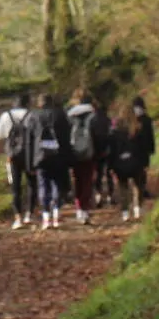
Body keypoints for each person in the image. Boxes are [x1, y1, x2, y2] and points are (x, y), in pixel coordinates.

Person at [26, 91, 72, 229]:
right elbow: (67, 138)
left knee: (43, 185)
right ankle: (56, 215)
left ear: (39, 103)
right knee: (57, 184)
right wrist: (68, 158)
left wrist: (30, 164)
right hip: (58, 156)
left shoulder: (33, 116)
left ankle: (46, 217)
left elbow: (29, 141)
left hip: (40, 156)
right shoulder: (60, 115)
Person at [0, 93, 35, 230]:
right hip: (30, 155)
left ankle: (18, 218)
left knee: (15, 187)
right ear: (27, 103)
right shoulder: (32, 115)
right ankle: (29, 214)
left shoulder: (6, 116)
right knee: (32, 184)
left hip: (12, 156)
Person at [115, 96, 156, 221]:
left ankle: (125, 212)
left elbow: (114, 146)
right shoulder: (139, 127)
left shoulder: (117, 129)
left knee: (123, 187)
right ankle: (138, 209)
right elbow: (145, 145)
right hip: (137, 161)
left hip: (121, 162)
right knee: (138, 185)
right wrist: (146, 161)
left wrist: (112, 164)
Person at [66, 88, 101, 225]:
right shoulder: (93, 115)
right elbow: (98, 135)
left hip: (74, 153)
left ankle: (78, 208)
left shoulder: (69, 115)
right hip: (90, 153)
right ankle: (85, 209)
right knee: (87, 181)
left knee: (77, 180)